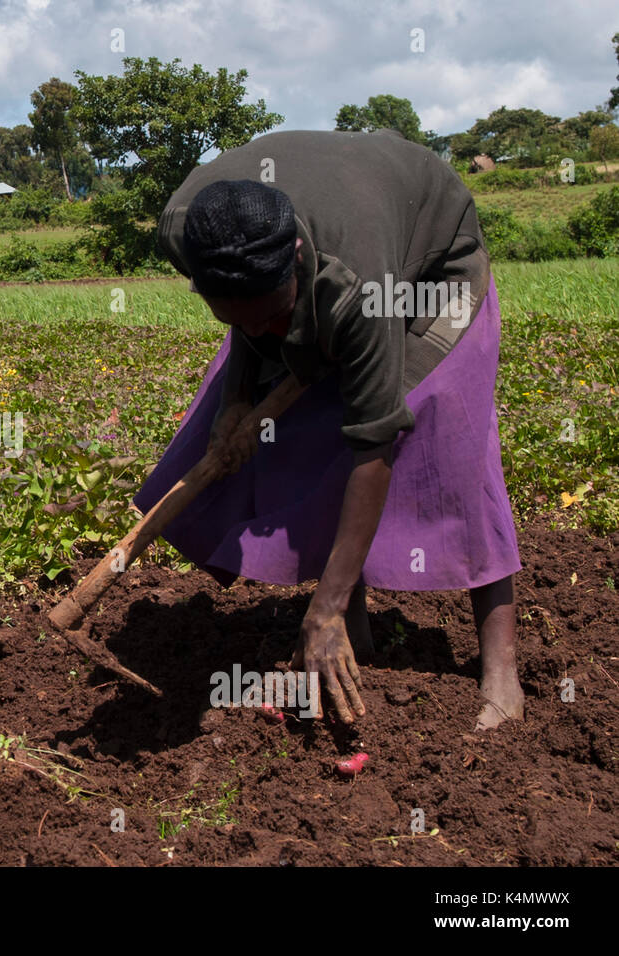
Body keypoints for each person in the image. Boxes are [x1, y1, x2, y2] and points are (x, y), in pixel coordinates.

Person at [136, 129, 524, 731]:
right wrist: (237, 397)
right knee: (301, 439)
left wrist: (322, 609)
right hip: (322, 266)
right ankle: (356, 631)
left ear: (294, 255)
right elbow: (251, 322)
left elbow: (374, 442)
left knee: (449, 445)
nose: (265, 331)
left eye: (276, 315)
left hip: (434, 268)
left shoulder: (359, 282)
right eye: (243, 318)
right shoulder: (186, 232)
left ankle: (500, 672)